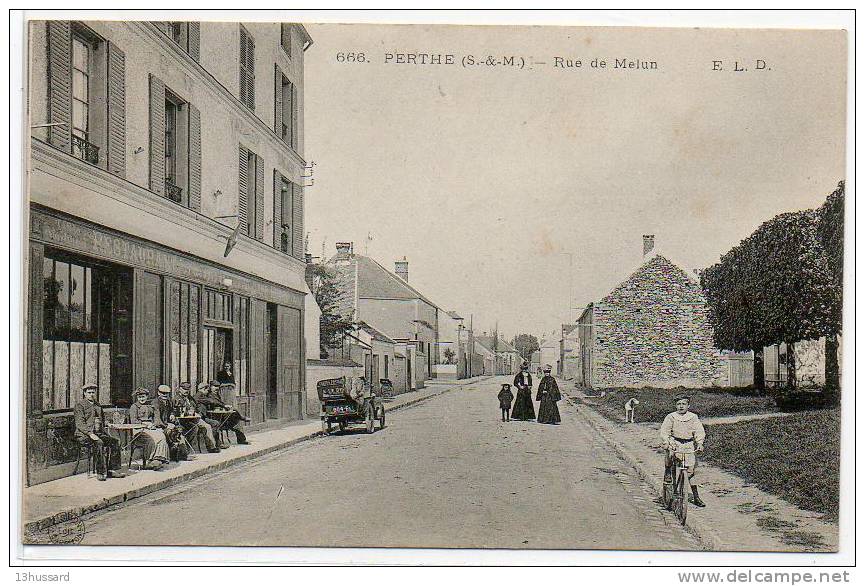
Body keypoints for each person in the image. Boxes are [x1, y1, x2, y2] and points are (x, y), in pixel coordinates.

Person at [659, 394, 707, 508]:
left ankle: (696, 497)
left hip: (688, 444)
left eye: (683, 404)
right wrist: (666, 440)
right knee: (670, 454)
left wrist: (700, 443)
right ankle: (668, 473)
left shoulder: (693, 417)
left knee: (691, 471)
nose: (681, 406)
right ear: (676, 405)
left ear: (688, 405)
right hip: (675, 443)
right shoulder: (671, 416)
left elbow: (699, 430)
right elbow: (665, 431)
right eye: (679, 404)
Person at [73, 384, 125, 481]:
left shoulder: (97, 405)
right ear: (84, 393)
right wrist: (90, 434)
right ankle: (100, 472)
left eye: (93, 392)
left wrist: (108, 424)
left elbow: (101, 419)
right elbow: (80, 424)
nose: (91, 394)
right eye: (89, 392)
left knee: (114, 441)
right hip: (83, 435)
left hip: (98, 433)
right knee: (99, 443)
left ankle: (112, 470)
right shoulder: (79, 405)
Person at [173, 382, 224, 453]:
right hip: (184, 420)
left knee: (207, 426)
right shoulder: (176, 398)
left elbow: (195, 407)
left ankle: (211, 447)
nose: (186, 391)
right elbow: (176, 411)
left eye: (188, 389)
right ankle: (189, 448)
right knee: (195, 428)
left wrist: (197, 413)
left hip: (194, 417)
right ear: (179, 389)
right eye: (184, 389)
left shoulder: (190, 398)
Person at [127, 388, 170, 469]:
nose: (141, 399)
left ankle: (158, 459)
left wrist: (154, 424)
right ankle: (150, 460)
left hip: (150, 428)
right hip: (138, 430)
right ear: (137, 398)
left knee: (161, 436)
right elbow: (133, 421)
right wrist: (144, 424)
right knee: (151, 438)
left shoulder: (150, 406)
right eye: (139, 397)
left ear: (147, 397)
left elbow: (156, 419)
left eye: (143, 397)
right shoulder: (134, 407)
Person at [155, 384, 189, 461]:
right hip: (159, 426)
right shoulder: (156, 403)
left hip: (168, 424)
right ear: (158, 393)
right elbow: (157, 419)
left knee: (180, 430)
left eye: (167, 393)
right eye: (163, 393)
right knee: (169, 432)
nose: (165, 395)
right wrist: (166, 425)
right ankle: (171, 454)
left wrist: (172, 414)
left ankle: (182, 455)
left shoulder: (169, 401)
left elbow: (173, 409)